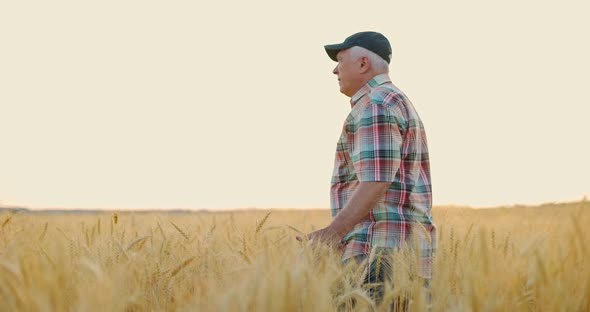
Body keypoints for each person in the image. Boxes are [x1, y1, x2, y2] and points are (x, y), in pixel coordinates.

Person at [297, 31, 437, 307]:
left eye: (340, 60)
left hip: (377, 254)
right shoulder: (395, 101)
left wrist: (332, 233)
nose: (335, 69)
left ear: (363, 64)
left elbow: (376, 180)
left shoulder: (376, 104)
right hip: (404, 254)